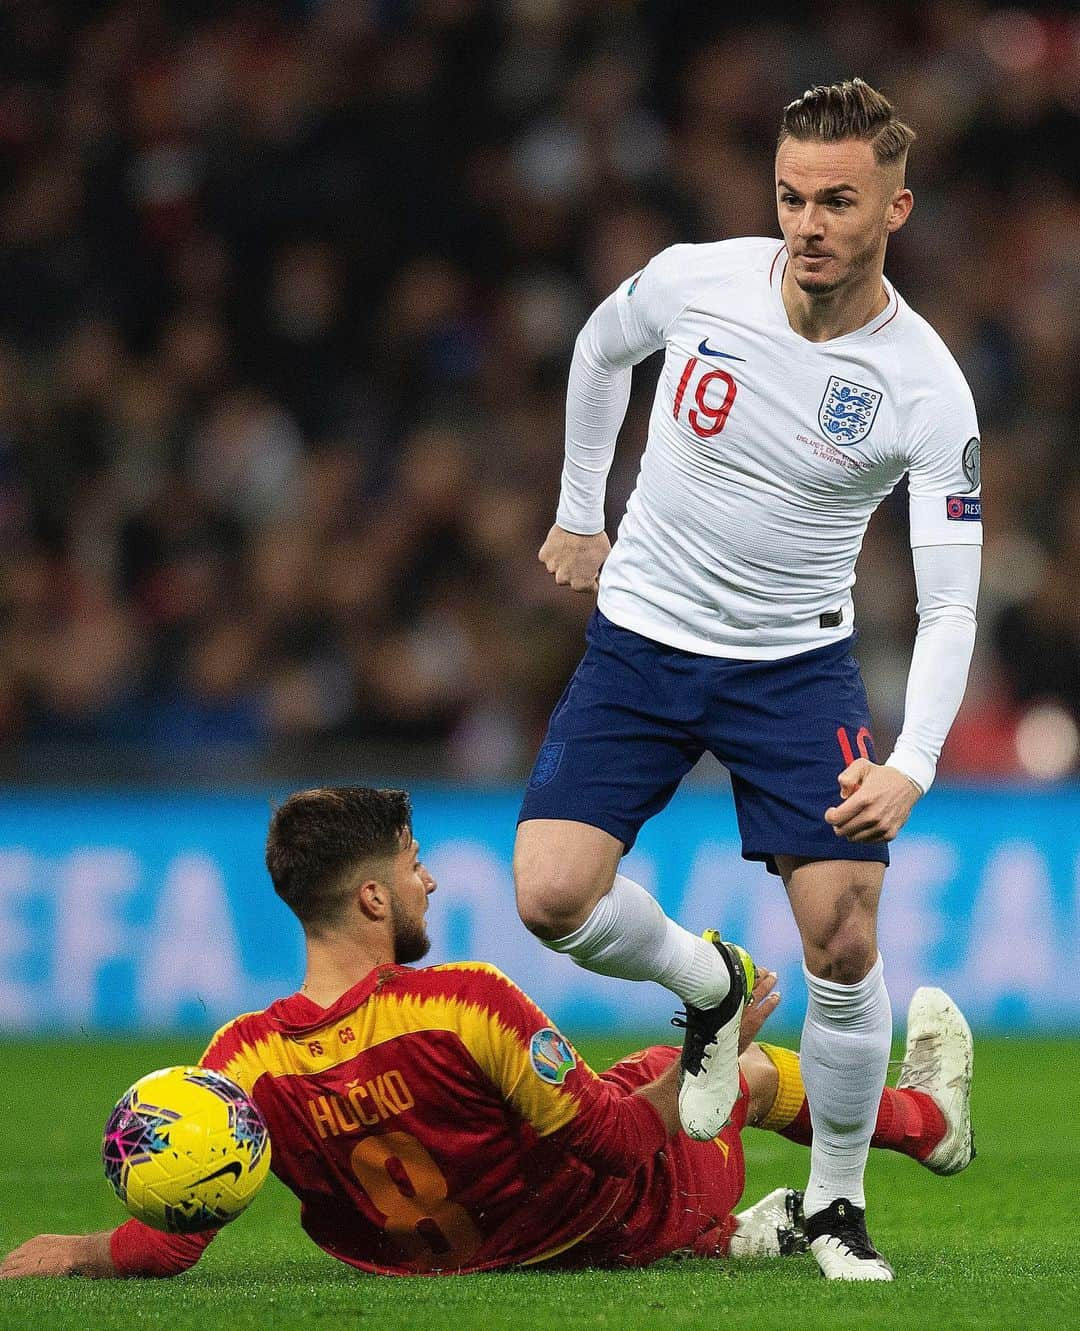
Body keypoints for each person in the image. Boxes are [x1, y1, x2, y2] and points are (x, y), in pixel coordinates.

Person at [513, 78, 981, 1280]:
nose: (807, 222)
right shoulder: (695, 278)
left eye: (837, 200)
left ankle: (834, 1201)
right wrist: (579, 508)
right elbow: (598, 346)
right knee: (550, 896)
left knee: (842, 933)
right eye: (790, 195)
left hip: (793, 668)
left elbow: (949, 600)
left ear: (896, 209)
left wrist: (913, 763)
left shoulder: (924, 386)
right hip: (643, 640)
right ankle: (711, 985)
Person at [0, 787, 974, 1281]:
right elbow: (622, 1143)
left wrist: (73, 1250)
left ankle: (755, 1228)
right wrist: (710, 1050)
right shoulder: (462, 1000)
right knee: (742, 1072)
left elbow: (173, 1242)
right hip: (605, 1222)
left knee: (627, 1076)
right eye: (415, 863)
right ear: (373, 892)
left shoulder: (238, 1060)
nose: (430, 880)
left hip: (425, 1256)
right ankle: (929, 1121)